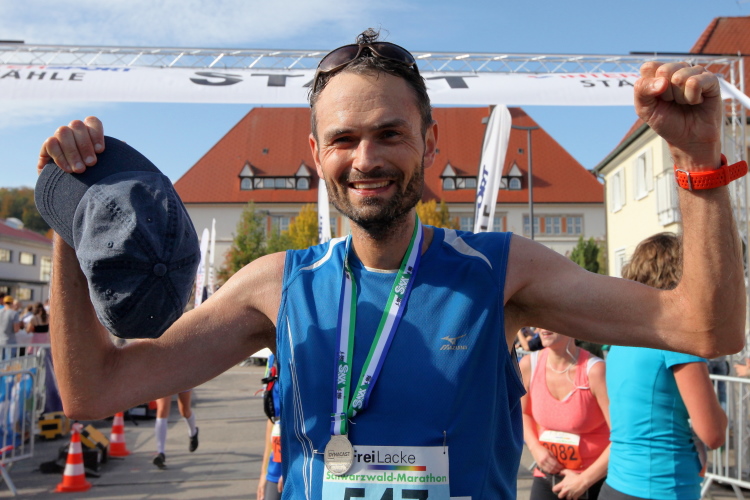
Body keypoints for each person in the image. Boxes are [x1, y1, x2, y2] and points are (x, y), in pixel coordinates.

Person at [36, 29, 746, 499]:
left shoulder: (501, 273)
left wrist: (699, 161)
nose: (366, 158)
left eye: (390, 134)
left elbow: (704, 328)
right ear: (316, 155)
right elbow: (95, 391)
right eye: (343, 139)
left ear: (429, 144)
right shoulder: (277, 286)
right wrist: (74, 216)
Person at [601, 233, 728, 500]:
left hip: (616, 484)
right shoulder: (675, 340)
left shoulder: (620, 339)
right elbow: (713, 433)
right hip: (663, 486)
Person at [521, 329, 610, 499]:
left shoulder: (595, 371)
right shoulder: (529, 365)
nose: (543, 327)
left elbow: (621, 436)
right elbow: (523, 413)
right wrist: (535, 447)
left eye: (551, 321)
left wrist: (584, 480)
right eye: (541, 320)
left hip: (594, 479)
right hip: (548, 473)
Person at [257, 353, 283, 500]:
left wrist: (294, 467)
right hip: (276, 466)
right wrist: (264, 472)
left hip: (302, 463)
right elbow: (273, 420)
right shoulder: (273, 359)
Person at [152, 391, 199, 469]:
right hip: (163, 383)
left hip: (181, 382)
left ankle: (193, 432)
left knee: (184, 411)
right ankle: (160, 453)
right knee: (162, 409)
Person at [0, 295, 21, 359]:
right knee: (9, 362)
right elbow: (16, 329)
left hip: (0, 340)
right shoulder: (14, 313)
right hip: (10, 341)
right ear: (12, 303)